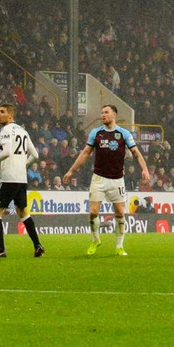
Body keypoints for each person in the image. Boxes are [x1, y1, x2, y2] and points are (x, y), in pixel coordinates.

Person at [63, 104, 150, 257]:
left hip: (117, 180)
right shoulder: (96, 133)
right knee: (93, 212)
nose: (103, 115)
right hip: (98, 178)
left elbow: (136, 152)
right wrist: (71, 170)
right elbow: (85, 153)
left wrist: (144, 169)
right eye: (102, 112)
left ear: (114, 115)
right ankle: (96, 240)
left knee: (120, 212)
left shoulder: (123, 133)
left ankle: (119, 246)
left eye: (106, 112)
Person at [0, 104, 44, 259]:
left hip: (8, 178)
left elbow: (7, 151)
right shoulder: (23, 131)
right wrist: (22, 165)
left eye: (2, 112)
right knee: (22, 211)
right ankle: (38, 246)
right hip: (21, 178)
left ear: (10, 115)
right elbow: (35, 155)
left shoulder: (5, 130)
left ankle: (1, 250)